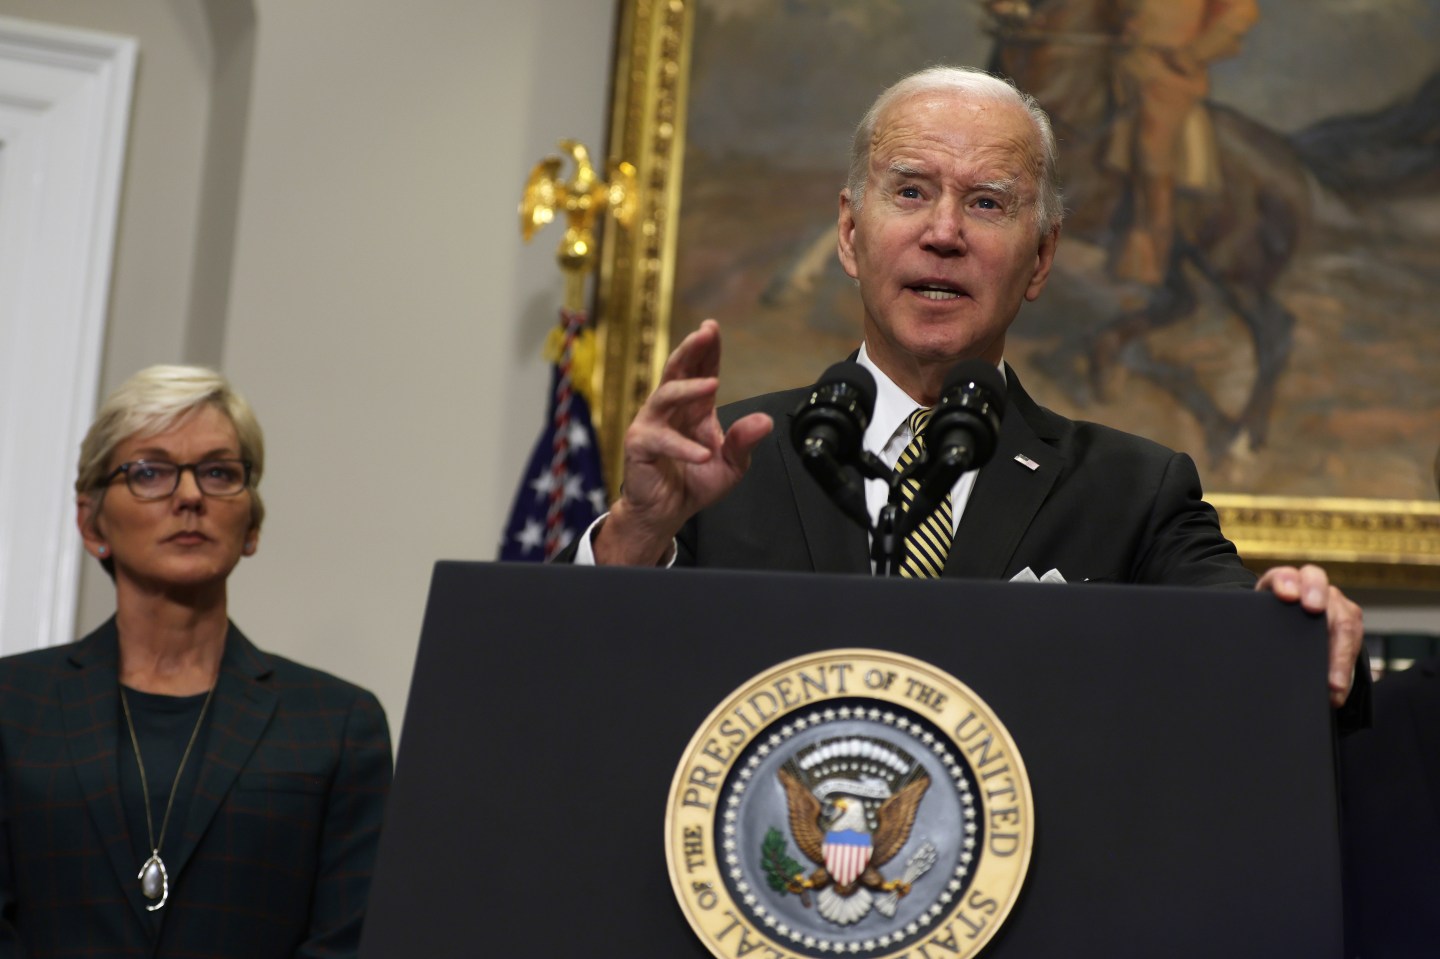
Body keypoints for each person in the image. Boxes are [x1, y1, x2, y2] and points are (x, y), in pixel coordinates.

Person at [571, 65, 1364, 714]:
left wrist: (1298, 625)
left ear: (1042, 257)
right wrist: (637, 534)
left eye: (987, 202)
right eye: (911, 191)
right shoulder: (725, 464)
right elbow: (576, 692)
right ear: (850, 233)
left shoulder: (1134, 492)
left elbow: (1261, 669)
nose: (944, 232)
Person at [0, 366, 392, 958]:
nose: (190, 497)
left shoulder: (337, 724)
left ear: (252, 524)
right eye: (150, 472)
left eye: (217, 473)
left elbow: (351, 943)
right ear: (91, 522)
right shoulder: (11, 704)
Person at [1107, 0, 1260, 286]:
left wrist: (1193, 54)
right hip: (1122, 62)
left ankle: (1150, 256)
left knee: (1152, 149)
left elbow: (1240, 12)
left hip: (1169, 73)